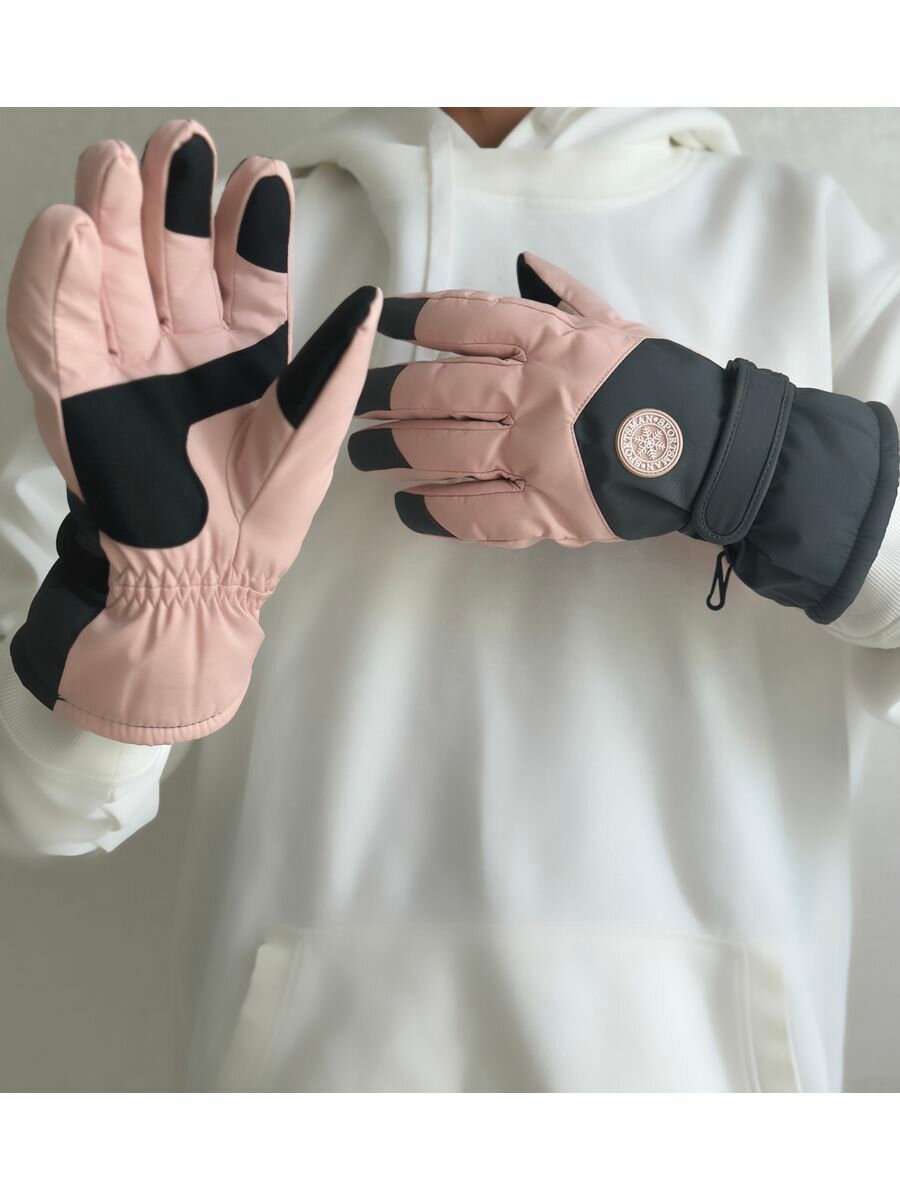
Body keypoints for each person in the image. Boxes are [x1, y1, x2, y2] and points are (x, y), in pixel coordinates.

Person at [1, 107, 899, 1092]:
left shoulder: (801, 236)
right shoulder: (213, 269)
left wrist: (742, 454)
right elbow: (34, 805)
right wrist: (148, 624)